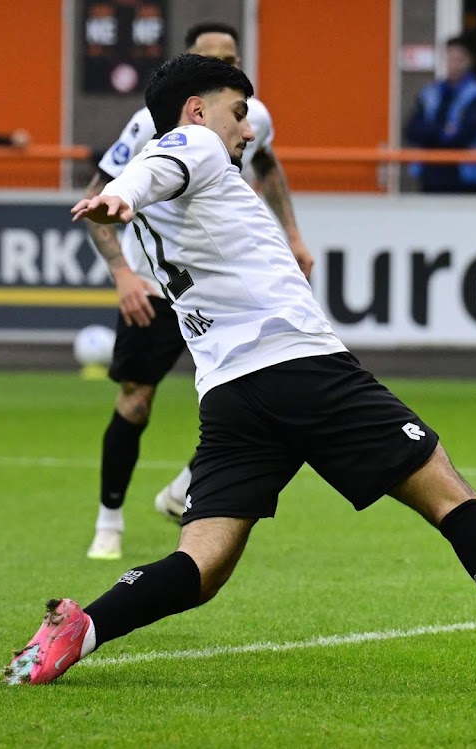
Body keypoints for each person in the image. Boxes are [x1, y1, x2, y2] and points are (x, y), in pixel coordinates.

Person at [3, 53, 476, 688]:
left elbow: (155, 174)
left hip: (230, 396)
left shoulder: (186, 193)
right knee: (448, 492)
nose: (248, 128)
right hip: (303, 372)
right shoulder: (195, 144)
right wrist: (120, 193)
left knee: (200, 565)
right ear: (198, 111)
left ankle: (79, 629)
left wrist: (124, 198)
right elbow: (164, 161)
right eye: (239, 113)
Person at [83, 21, 314, 562]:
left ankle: (184, 486)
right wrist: (122, 274)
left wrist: (295, 238)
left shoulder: (251, 116)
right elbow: (100, 195)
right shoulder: (150, 124)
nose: (227, 63)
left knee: (258, 387)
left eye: (232, 55)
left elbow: (268, 168)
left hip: (222, 289)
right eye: (213, 56)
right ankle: (108, 521)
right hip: (159, 289)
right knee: (136, 401)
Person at [404, 36, 476, 194]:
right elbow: (412, 130)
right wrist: (444, 131)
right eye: (450, 58)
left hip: (463, 179)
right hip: (429, 177)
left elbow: (465, 134)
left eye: (460, 59)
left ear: (470, 61)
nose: (454, 65)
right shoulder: (430, 93)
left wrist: (432, 133)